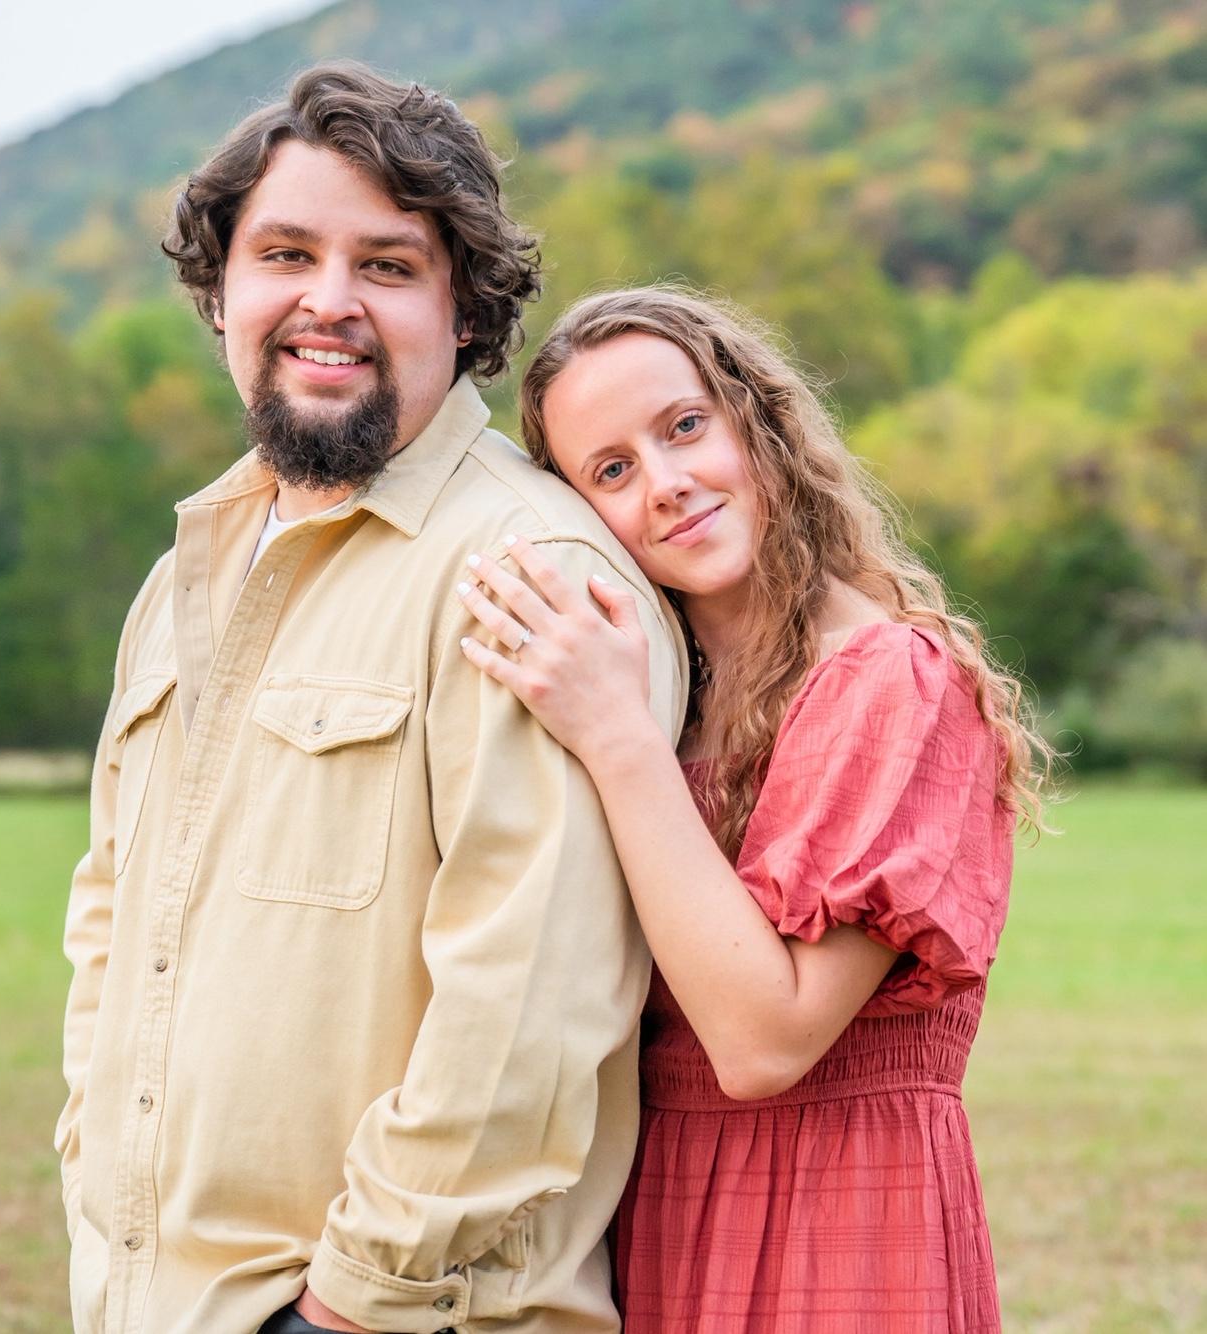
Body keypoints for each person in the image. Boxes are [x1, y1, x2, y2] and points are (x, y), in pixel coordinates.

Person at [54, 66, 688, 1334]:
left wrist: (346, 1305)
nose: (328, 301)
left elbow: (528, 1006)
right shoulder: (185, 573)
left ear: (464, 311)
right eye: (285, 253)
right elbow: (110, 916)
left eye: (387, 265)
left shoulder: (525, 571)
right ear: (221, 292)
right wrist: (89, 1153)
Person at [455, 286, 1052, 1332]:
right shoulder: (658, 694)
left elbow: (763, 1042)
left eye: (685, 426)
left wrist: (616, 737)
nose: (666, 484)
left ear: (757, 418)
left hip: (841, 1230)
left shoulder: (888, 682)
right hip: (649, 1213)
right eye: (611, 470)